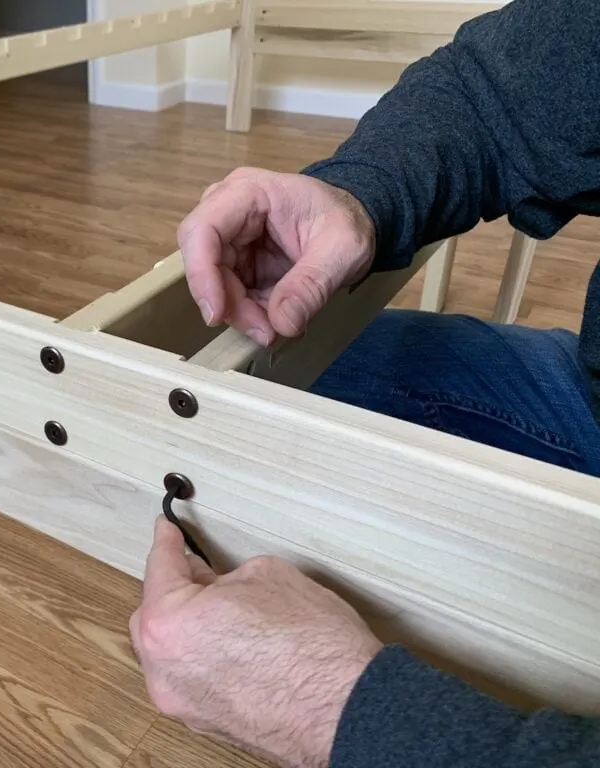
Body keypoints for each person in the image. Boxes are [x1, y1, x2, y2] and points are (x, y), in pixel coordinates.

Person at [128, 0, 600, 765]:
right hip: (590, 399)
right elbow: (496, 93)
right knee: (290, 375)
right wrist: (357, 195)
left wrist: (341, 711)